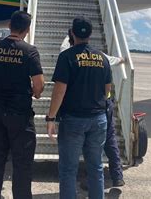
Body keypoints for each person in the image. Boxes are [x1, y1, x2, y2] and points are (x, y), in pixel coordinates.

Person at [0, 11, 44, 199]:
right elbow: (39, 85)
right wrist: (35, 92)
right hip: (19, 114)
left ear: (8, 26)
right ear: (27, 30)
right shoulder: (30, 51)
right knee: (22, 163)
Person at [47, 16, 112, 199]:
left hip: (73, 120)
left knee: (68, 169)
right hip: (98, 119)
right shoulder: (102, 58)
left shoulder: (67, 57)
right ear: (90, 35)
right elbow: (107, 90)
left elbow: (59, 91)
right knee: (96, 167)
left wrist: (51, 117)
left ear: (72, 33)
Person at [60, 28, 126, 187]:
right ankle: (116, 175)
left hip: (79, 109)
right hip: (102, 106)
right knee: (108, 140)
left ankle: (87, 181)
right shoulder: (100, 56)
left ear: (72, 37)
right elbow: (116, 61)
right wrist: (123, 59)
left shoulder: (67, 54)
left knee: (82, 148)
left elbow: (60, 85)